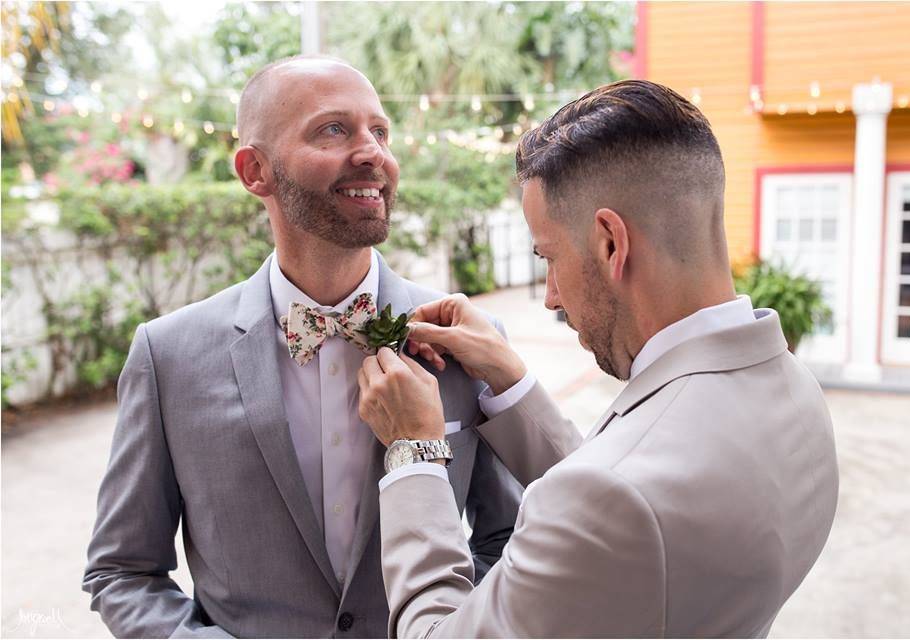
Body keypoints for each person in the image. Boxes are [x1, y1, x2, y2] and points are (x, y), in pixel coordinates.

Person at [358, 79, 840, 638]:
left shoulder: (613, 497)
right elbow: (624, 508)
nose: (550, 296)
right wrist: (511, 379)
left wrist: (414, 450)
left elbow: (612, 503)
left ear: (611, 243)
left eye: (550, 257)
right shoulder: (796, 389)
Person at [82, 55, 522, 638]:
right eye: (333, 129)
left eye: (380, 131)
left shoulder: (468, 341)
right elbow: (122, 571)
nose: (374, 153)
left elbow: (512, 540)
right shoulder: (168, 356)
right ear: (254, 170)